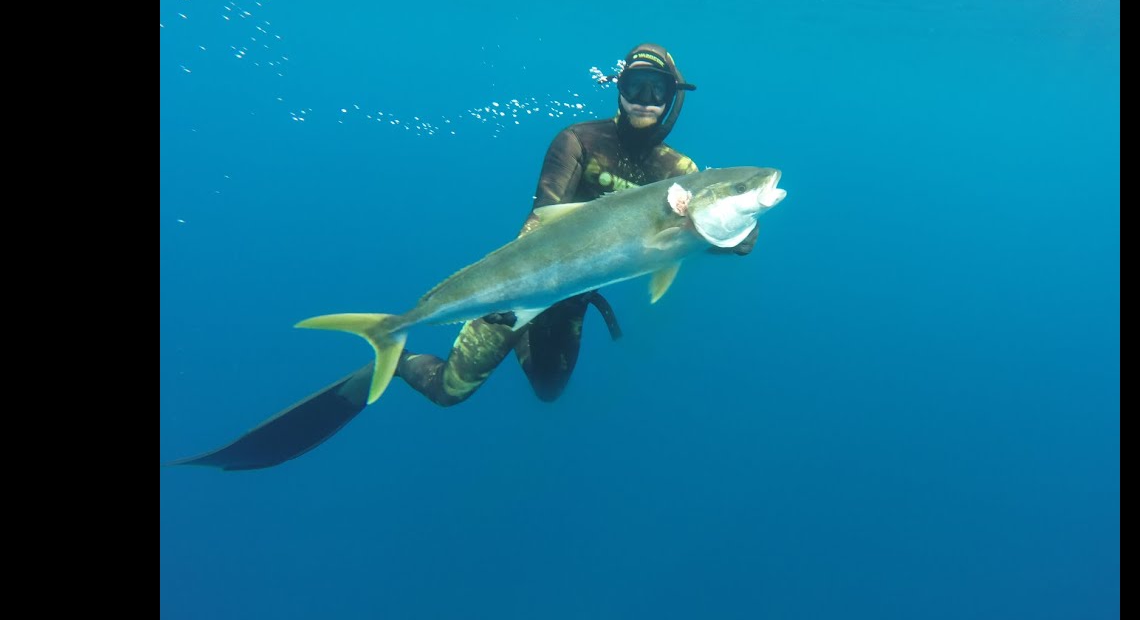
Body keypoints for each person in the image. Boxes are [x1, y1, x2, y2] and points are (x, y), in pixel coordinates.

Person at [171, 43, 758, 470]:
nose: (645, 102)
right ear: (619, 88)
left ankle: (521, 333)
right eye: (635, 87)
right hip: (523, 281)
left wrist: (733, 229)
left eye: (657, 92)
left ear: (674, 98)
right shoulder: (579, 141)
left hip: (570, 298)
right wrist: (515, 300)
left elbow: (726, 235)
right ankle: (394, 354)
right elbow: (543, 215)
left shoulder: (684, 173)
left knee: (550, 392)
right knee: (451, 392)